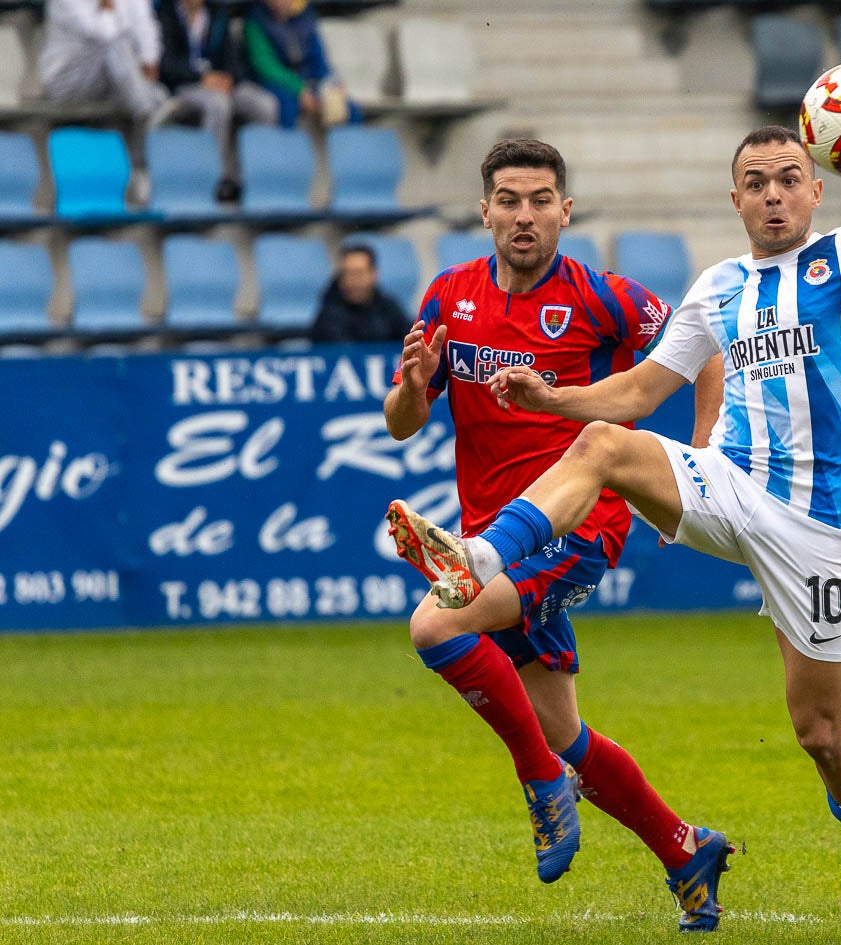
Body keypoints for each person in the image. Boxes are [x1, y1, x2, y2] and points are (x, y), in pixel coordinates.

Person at [385, 125, 841, 939]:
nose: (772, 194)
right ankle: (480, 557)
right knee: (601, 446)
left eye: (787, 179)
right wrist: (551, 399)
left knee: (821, 733)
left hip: (816, 524)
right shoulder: (718, 287)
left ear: (814, 191)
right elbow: (632, 395)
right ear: (733, 199)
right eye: (755, 182)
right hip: (729, 484)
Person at [381, 138, 732, 929]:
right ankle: (685, 849)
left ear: (565, 211)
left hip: (580, 526)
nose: (524, 215)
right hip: (492, 536)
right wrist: (410, 385)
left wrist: (702, 448)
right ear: (484, 211)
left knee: (435, 623)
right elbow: (401, 424)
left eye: (540, 199)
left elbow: (702, 346)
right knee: (563, 728)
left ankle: (539, 782)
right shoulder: (450, 296)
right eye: (508, 199)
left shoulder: (603, 297)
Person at [39, 0, 170, 201]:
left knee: (127, 66)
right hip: (64, 81)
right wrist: (109, 8)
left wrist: (148, 59)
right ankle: (152, 110)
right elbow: (103, 34)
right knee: (115, 46)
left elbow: (145, 25)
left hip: (105, 79)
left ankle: (142, 164)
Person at [155, 0, 280, 203]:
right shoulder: (165, 15)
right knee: (218, 104)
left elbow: (232, 58)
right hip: (184, 87)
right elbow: (166, 65)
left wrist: (228, 77)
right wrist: (201, 78)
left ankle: (253, 179)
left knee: (266, 105)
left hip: (220, 84)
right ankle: (214, 178)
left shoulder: (217, 14)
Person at [243, 0, 359, 129]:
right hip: (274, 83)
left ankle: (347, 148)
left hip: (308, 81)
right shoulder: (255, 21)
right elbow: (266, 67)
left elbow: (319, 59)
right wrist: (300, 90)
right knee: (287, 106)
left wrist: (332, 82)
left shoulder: (305, 17)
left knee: (347, 107)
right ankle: (286, 147)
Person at [310, 244, 408, 343]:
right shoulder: (329, 314)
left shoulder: (388, 307)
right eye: (347, 274)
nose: (353, 281)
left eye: (359, 273)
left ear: (374, 274)